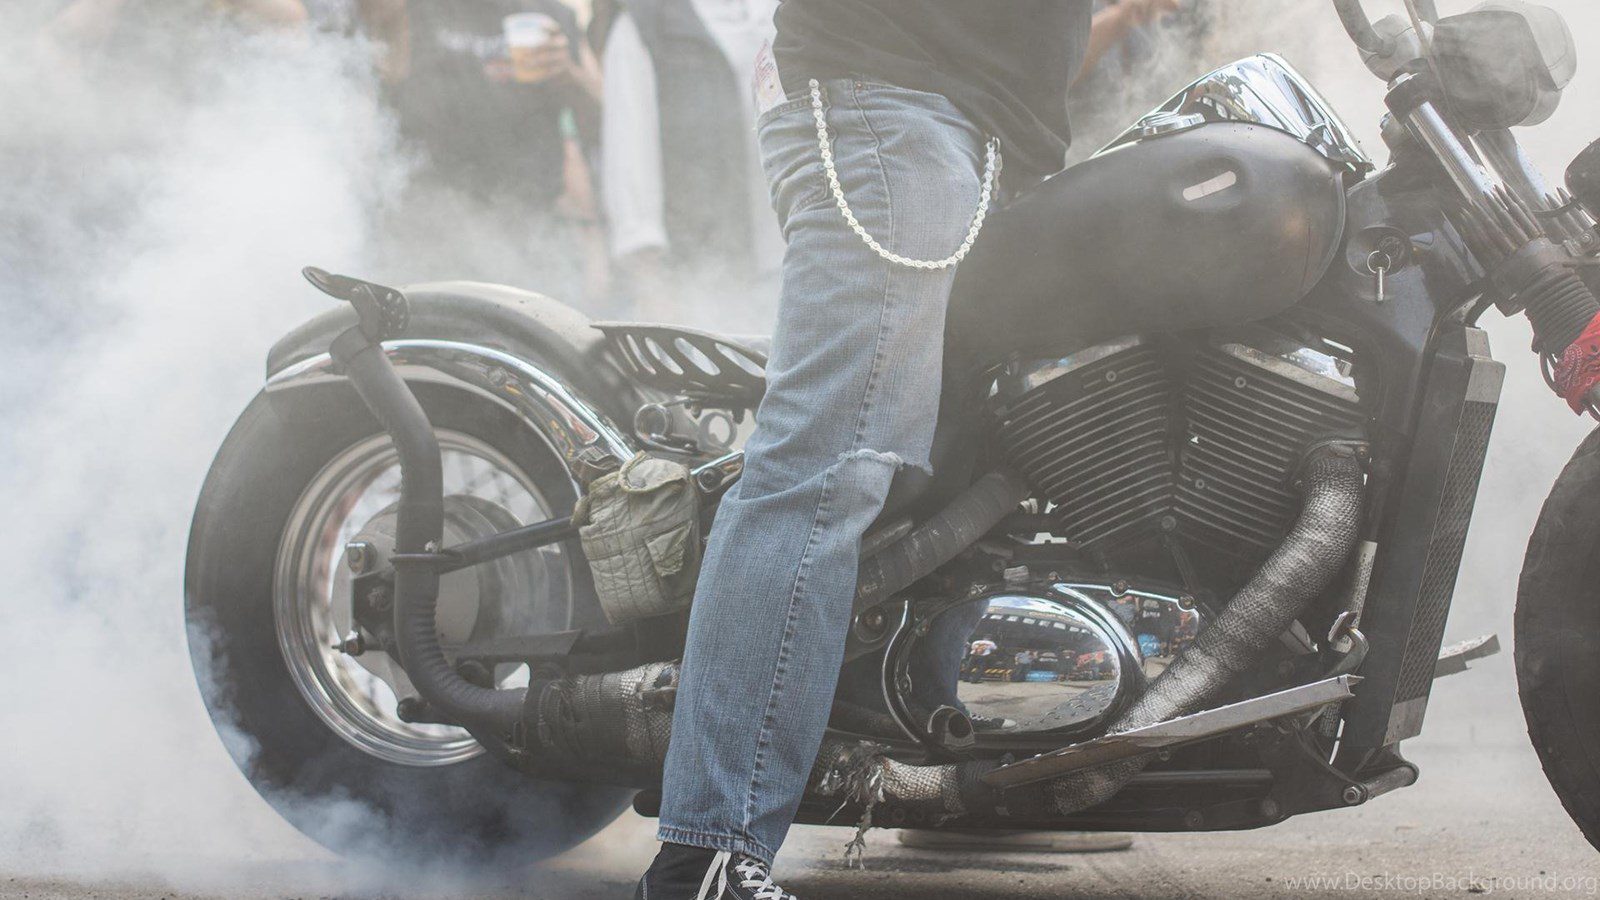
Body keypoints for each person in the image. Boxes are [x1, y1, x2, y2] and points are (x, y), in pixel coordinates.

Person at [634, 3, 1095, 897]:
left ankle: (970, 773)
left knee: (956, 466)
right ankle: (708, 855)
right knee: (822, 473)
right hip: (895, 108)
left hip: (972, 129)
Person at [385, 0, 609, 303]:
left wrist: (568, 74)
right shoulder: (411, 9)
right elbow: (376, 78)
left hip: (530, 229)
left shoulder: (551, 15)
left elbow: (602, 123)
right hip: (428, 228)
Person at [600, 0, 784, 323]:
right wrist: (651, 284)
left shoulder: (787, 12)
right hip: (700, 267)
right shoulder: (647, 21)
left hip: (790, 256)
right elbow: (629, 153)